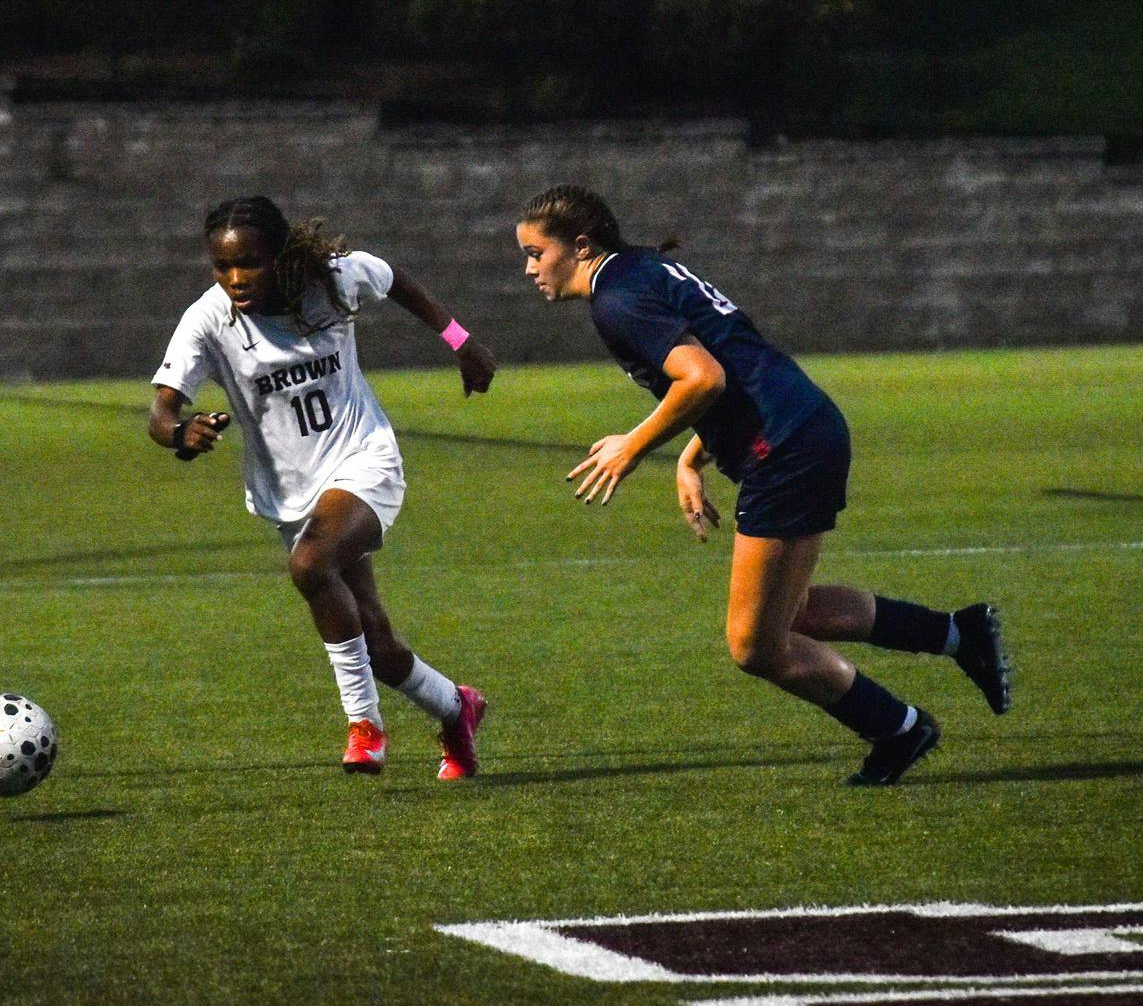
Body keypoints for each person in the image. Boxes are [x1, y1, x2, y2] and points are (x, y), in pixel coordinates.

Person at [514, 184, 1010, 786]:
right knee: (789, 611)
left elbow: (702, 378)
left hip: (787, 447)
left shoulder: (617, 300)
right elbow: (737, 362)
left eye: (537, 253)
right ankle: (961, 634)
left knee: (755, 644)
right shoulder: (644, 271)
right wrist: (691, 459)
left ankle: (899, 727)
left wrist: (633, 447)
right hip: (804, 424)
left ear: (581, 246)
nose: (530, 267)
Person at [152, 196, 495, 778]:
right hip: (290, 494)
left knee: (311, 565)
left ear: (281, 255)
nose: (235, 278)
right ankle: (456, 708)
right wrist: (181, 432)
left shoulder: (333, 281)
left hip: (365, 461)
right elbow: (160, 414)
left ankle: (365, 725)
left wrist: (462, 342)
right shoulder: (209, 319)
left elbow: (396, 280)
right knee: (377, 646)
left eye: (251, 263)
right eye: (222, 266)